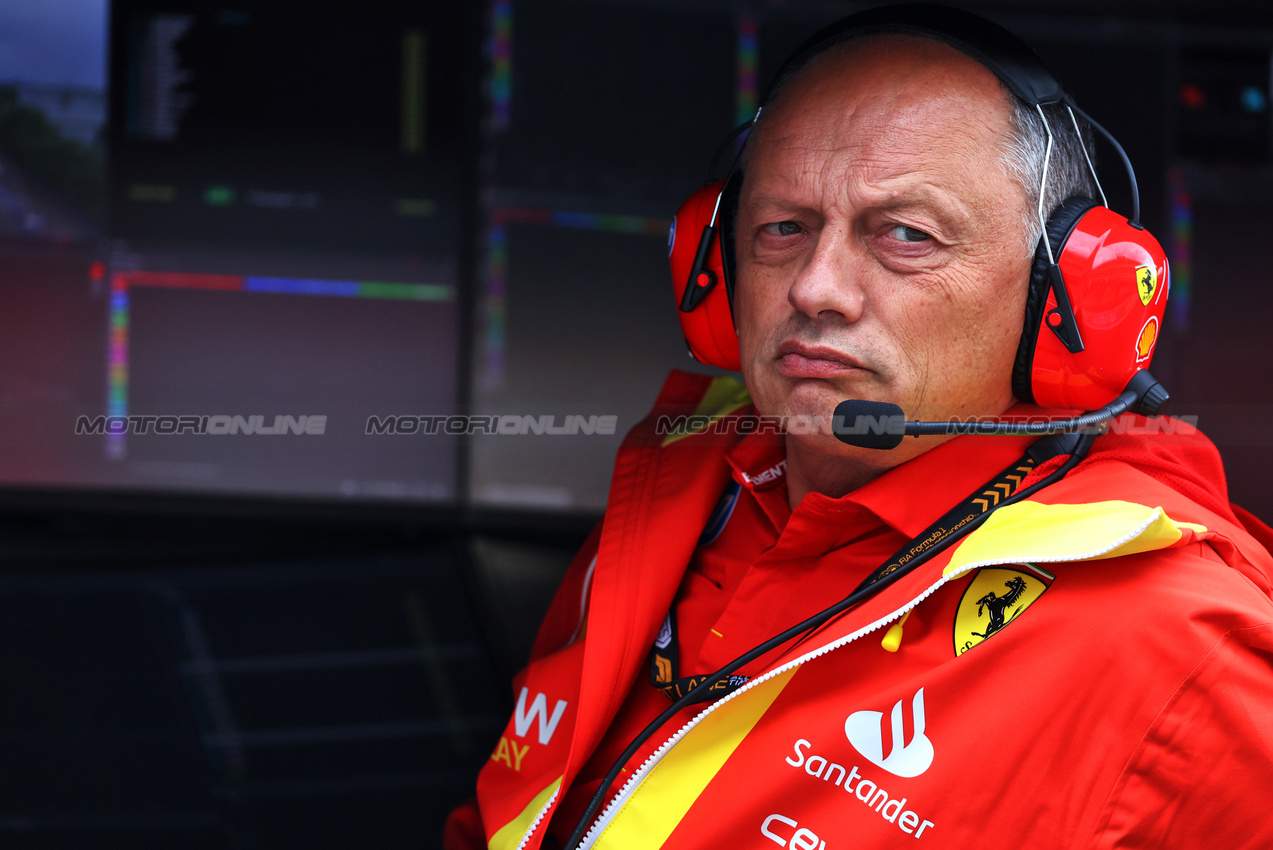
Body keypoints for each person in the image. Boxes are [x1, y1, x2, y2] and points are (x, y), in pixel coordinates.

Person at [446, 6, 1273, 849]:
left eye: (905, 236)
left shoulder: (1181, 644)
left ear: (1063, 301)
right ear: (714, 264)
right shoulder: (683, 486)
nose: (816, 287)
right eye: (781, 229)